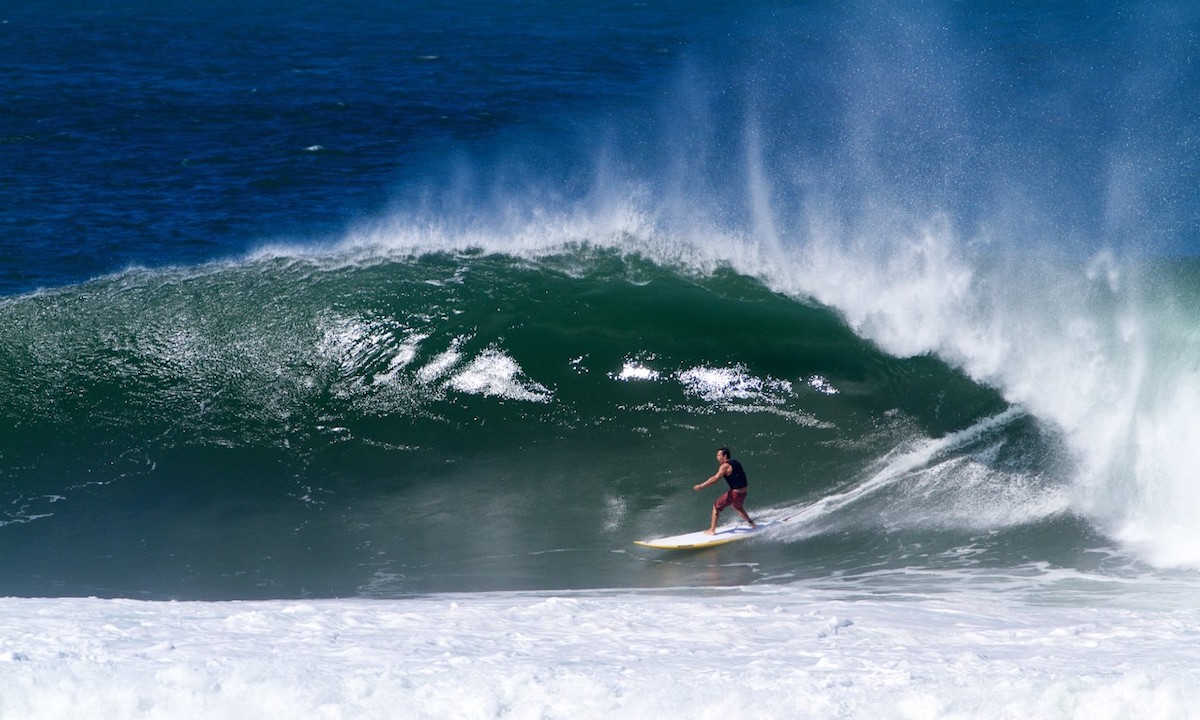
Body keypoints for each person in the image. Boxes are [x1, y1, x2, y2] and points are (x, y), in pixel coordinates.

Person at [693, 446, 755, 534]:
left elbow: (715, 478)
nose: (717, 457)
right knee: (737, 507)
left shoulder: (724, 466)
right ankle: (752, 523)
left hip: (735, 493)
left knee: (716, 507)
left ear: (724, 456)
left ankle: (712, 530)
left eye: (718, 455)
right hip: (743, 492)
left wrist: (701, 486)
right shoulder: (736, 462)